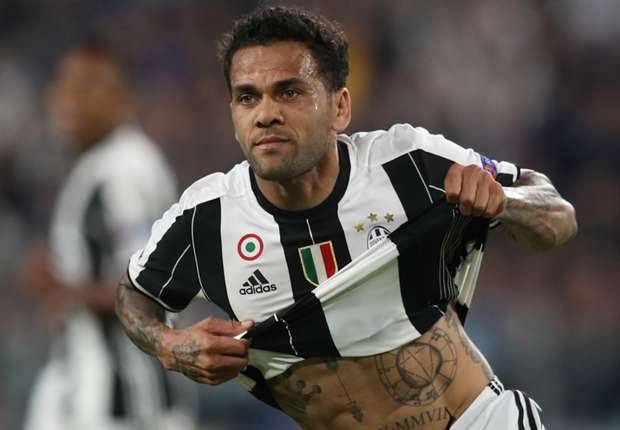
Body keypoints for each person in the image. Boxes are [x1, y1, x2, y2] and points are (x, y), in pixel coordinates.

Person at [115, 6, 577, 430]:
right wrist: (168, 345)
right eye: (247, 98)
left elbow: (558, 215)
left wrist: (504, 200)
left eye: (289, 92)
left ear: (340, 107)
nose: (266, 114)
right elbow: (134, 295)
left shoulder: (407, 163)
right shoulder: (207, 219)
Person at [22, 40, 195, 430]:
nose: (69, 100)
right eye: (63, 84)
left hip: (125, 399)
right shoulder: (101, 164)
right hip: (86, 386)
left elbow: (148, 288)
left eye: (86, 86)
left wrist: (61, 288)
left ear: (122, 98)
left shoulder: (123, 171)